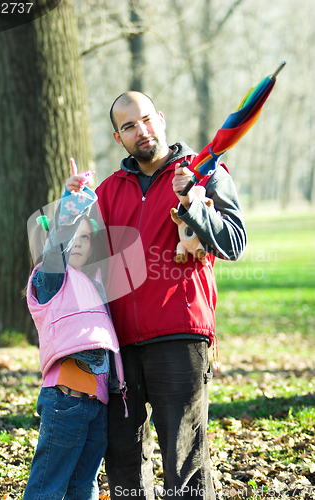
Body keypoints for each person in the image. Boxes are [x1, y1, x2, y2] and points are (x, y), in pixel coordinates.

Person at [70, 92, 247, 499]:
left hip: (180, 336)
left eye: (146, 120)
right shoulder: (109, 191)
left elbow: (234, 243)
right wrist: (70, 209)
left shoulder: (206, 172)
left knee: (184, 462)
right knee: (124, 465)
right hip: (119, 345)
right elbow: (85, 266)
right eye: (129, 126)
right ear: (119, 138)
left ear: (161, 119)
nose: (141, 130)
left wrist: (191, 204)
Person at [23, 161, 126, 500]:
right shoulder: (51, 278)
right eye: (72, 237)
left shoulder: (95, 285)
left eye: (85, 237)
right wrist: (71, 202)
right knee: (47, 487)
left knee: (84, 486)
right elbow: (57, 247)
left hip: (96, 406)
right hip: (65, 400)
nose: (78, 243)